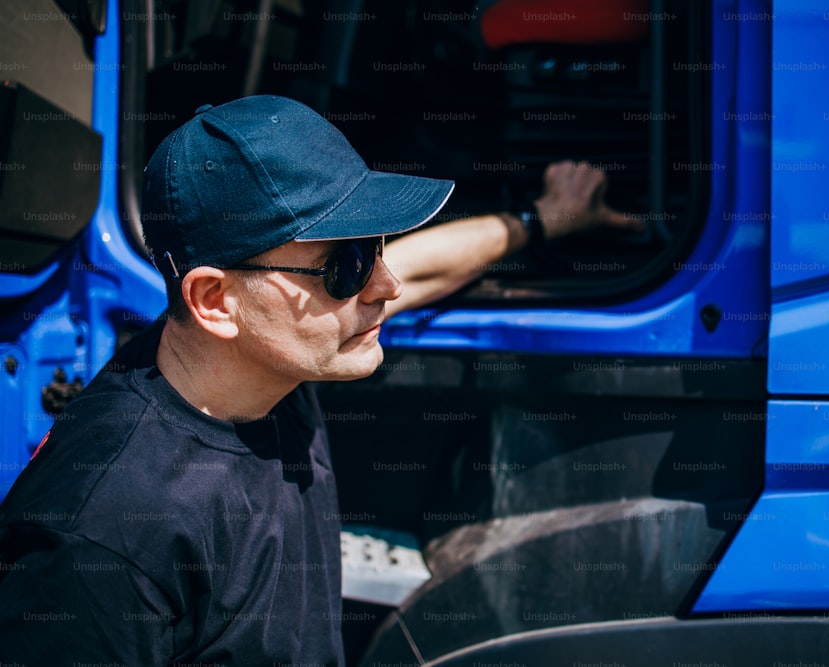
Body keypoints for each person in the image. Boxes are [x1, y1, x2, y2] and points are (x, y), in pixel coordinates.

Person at [0, 95, 636, 665]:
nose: (385, 287)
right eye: (349, 263)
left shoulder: (267, 355)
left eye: (379, 245)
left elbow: (422, 270)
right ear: (216, 300)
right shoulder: (101, 543)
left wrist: (545, 218)